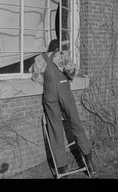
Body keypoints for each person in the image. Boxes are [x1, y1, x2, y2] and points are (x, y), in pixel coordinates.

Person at [31, 39, 96, 178]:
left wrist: (49, 84)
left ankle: (63, 170)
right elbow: (71, 73)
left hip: (49, 94)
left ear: (48, 49)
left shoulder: (39, 59)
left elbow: (36, 78)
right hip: (65, 92)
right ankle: (89, 164)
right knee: (76, 125)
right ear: (57, 48)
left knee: (55, 130)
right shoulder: (62, 55)